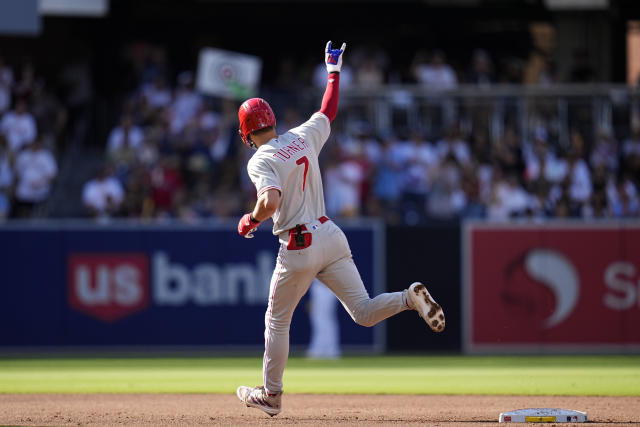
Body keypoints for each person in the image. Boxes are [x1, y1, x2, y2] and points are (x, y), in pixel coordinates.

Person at [235, 41, 445, 417]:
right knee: (362, 311)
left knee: (276, 321)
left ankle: (271, 395)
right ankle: (408, 298)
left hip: (298, 243)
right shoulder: (299, 137)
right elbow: (327, 111)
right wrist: (333, 71)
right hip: (331, 235)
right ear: (273, 121)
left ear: (247, 133)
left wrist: (249, 221)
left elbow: (269, 202)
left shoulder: (260, 158)